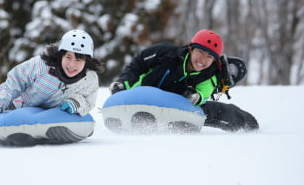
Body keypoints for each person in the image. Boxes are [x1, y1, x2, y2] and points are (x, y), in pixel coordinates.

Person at [109, 29, 259, 132]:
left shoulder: (210, 75)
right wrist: (123, 83)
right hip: (144, 95)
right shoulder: (166, 53)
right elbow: (138, 64)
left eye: (209, 56)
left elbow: (204, 93)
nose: (203, 59)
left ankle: (246, 122)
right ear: (191, 49)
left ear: (214, 60)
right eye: (200, 52)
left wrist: (196, 96)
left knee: (213, 111)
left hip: (177, 107)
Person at [0, 29, 105, 117]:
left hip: (53, 117)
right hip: (19, 109)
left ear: (87, 60)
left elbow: (89, 101)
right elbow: (14, 82)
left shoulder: (89, 79)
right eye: (68, 57)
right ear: (61, 55)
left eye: (78, 59)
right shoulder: (42, 65)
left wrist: (76, 102)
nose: (71, 65)